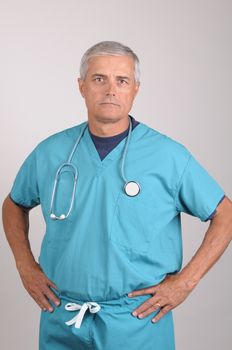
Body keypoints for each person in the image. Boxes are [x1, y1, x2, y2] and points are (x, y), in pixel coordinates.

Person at [2, 41, 232, 350]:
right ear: (81, 86)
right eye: (99, 79)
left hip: (137, 320)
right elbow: (14, 204)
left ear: (135, 88)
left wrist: (185, 282)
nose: (111, 89)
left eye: (121, 80)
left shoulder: (168, 156)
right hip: (63, 318)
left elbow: (225, 214)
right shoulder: (51, 152)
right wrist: (25, 265)